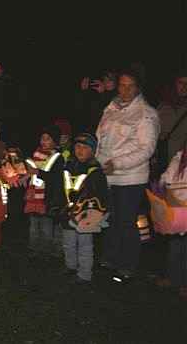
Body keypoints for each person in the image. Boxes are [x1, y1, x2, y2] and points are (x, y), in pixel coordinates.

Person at [96, 70, 160, 281]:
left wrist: (118, 163)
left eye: (130, 86)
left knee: (126, 221)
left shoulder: (146, 113)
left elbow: (146, 149)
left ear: (138, 87)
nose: (125, 90)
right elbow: (101, 139)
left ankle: (127, 264)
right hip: (108, 174)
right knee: (111, 219)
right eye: (122, 85)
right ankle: (110, 257)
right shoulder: (111, 108)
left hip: (130, 177)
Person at [55, 133, 109, 284]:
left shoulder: (95, 171)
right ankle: (70, 266)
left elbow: (99, 194)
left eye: (85, 147)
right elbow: (61, 186)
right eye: (78, 146)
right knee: (68, 242)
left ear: (93, 150)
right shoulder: (68, 165)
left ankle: (85, 274)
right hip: (67, 212)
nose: (80, 150)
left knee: (85, 244)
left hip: (86, 215)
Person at [23, 126, 65, 257]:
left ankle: (46, 250)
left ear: (54, 141)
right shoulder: (36, 155)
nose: (43, 141)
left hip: (47, 198)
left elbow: (56, 178)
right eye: (42, 138)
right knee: (34, 226)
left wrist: (37, 172)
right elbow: (30, 172)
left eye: (47, 139)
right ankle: (34, 248)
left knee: (46, 227)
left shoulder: (58, 157)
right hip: (33, 196)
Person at [155, 141, 187, 300]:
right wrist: (164, 186)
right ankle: (173, 277)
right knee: (175, 246)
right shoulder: (179, 158)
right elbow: (167, 177)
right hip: (176, 211)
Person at [157, 70, 187, 166]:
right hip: (162, 159)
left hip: (182, 164)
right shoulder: (163, 106)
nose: (184, 87)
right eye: (181, 83)